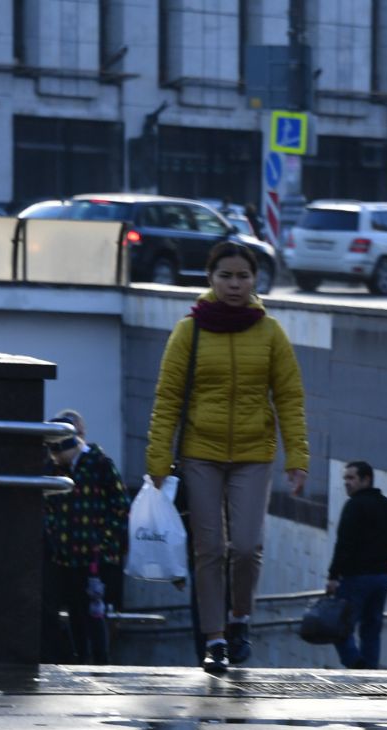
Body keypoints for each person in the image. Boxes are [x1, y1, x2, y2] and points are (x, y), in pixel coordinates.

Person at [144, 239, 309, 676]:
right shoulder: (188, 331)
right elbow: (167, 399)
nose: (235, 284)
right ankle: (214, 638)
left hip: (255, 454)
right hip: (201, 453)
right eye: (225, 276)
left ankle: (240, 619)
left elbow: (290, 398)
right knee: (210, 547)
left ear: (255, 280)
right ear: (209, 279)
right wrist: (158, 460)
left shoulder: (270, 331)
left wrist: (298, 457)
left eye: (242, 276)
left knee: (247, 546)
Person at [41, 409, 129, 664]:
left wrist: (105, 543)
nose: (54, 459)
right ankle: (80, 660)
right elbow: (49, 505)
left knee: (95, 613)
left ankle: (101, 662)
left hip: (95, 556)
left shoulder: (99, 464)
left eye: (57, 453)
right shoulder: (55, 468)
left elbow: (121, 505)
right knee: (76, 613)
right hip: (66, 555)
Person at [325, 460, 387, 670]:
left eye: (351, 478)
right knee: (371, 629)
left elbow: (343, 544)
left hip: (355, 578)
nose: (346, 483)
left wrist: (332, 576)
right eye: (345, 478)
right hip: (380, 579)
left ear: (366, 479)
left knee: (340, 627)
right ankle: (370, 673)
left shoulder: (353, 506)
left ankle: (356, 664)